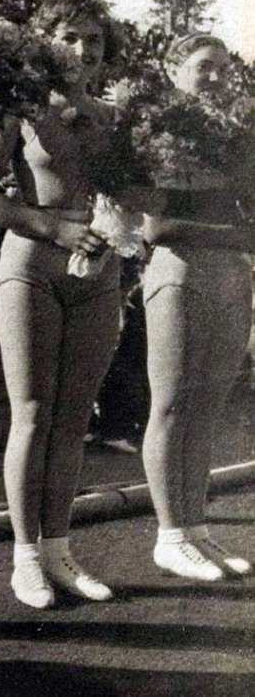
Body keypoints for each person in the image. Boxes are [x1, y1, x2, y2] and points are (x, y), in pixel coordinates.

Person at [0, 0, 123, 608]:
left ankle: (60, 551)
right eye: (71, 38)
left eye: (94, 41)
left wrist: (120, 227)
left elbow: (129, 193)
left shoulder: (113, 117)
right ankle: (25, 557)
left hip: (99, 271)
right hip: (31, 265)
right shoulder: (19, 109)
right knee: (33, 412)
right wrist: (52, 226)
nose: (83, 51)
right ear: (46, 42)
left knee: (74, 416)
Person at [141, 33, 254, 581]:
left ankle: (195, 528)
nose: (214, 77)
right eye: (202, 67)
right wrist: (236, 235)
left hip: (230, 277)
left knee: (208, 406)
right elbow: (156, 226)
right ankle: (169, 533)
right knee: (172, 405)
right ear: (172, 68)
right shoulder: (155, 128)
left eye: (222, 69)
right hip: (180, 272)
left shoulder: (233, 133)